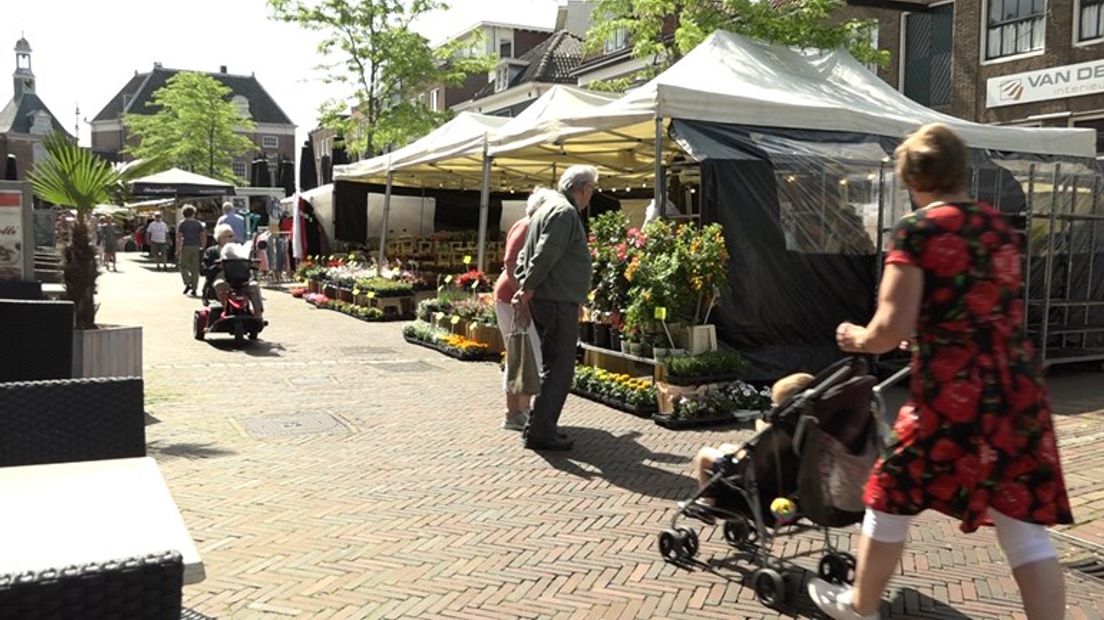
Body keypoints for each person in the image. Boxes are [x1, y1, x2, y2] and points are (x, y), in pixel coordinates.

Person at [807, 123, 1072, 620]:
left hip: (954, 395)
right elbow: (978, 307)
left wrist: (856, 336)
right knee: (1021, 523)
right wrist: (928, 326)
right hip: (1016, 391)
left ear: (912, 180)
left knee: (889, 492)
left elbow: (888, 328)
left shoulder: (919, 229)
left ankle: (859, 606)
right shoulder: (998, 227)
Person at [512, 165, 598, 451]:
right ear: (583, 189)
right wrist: (527, 287)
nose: (591, 197)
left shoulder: (547, 207)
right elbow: (544, 254)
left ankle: (539, 426)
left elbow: (528, 253)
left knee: (553, 365)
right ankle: (540, 432)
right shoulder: (563, 212)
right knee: (559, 369)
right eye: (591, 190)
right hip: (557, 300)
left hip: (550, 298)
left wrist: (526, 286)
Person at [685, 372, 815, 511]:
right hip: (792, 483)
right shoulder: (811, 429)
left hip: (762, 477)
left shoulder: (780, 431)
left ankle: (708, 502)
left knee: (704, 454)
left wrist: (761, 425)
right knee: (725, 447)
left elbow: (762, 449)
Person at [494, 188, 555, 431]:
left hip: (515, 298)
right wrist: (523, 295)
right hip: (512, 299)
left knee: (523, 354)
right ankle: (515, 412)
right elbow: (511, 262)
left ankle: (520, 409)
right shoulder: (527, 226)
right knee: (522, 353)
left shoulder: (530, 225)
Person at [203, 224, 264, 320]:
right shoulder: (211, 252)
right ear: (219, 238)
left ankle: (258, 315)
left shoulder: (239, 249)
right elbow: (204, 271)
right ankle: (226, 309)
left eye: (233, 236)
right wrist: (217, 267)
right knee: (220, 284)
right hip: (223, 280)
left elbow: (250, 264)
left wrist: (254, 265)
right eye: (229, 236)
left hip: (242, 281)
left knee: (254, 285)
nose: (233, 238)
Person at [176, 205, 207, 296]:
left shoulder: (182, 224)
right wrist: (203, 246)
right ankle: (194, 287)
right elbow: (203, 236)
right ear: (193, 213)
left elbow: (179, 237)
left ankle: (187, 282)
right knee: (195, 268)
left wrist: (178, 250)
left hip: (186, 245)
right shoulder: (198, 224)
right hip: (196, 246)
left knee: (183, 265)